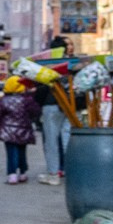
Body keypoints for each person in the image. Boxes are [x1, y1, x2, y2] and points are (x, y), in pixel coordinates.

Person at [0, 73, 38, 183]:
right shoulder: (27, 100)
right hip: (24, 130)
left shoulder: (3, 101)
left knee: (11, 152)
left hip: (8, 131)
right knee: (22, 151)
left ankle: (12, 174)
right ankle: (23, 173)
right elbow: (35, 112)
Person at [36, 42, 72, 184]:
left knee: (51, 141)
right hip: (68, 105)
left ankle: (53, 174)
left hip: (51, 105)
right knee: (67, 139)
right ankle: (71, 171)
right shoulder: (70, 64)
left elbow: (41, 90)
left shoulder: (48, 66)